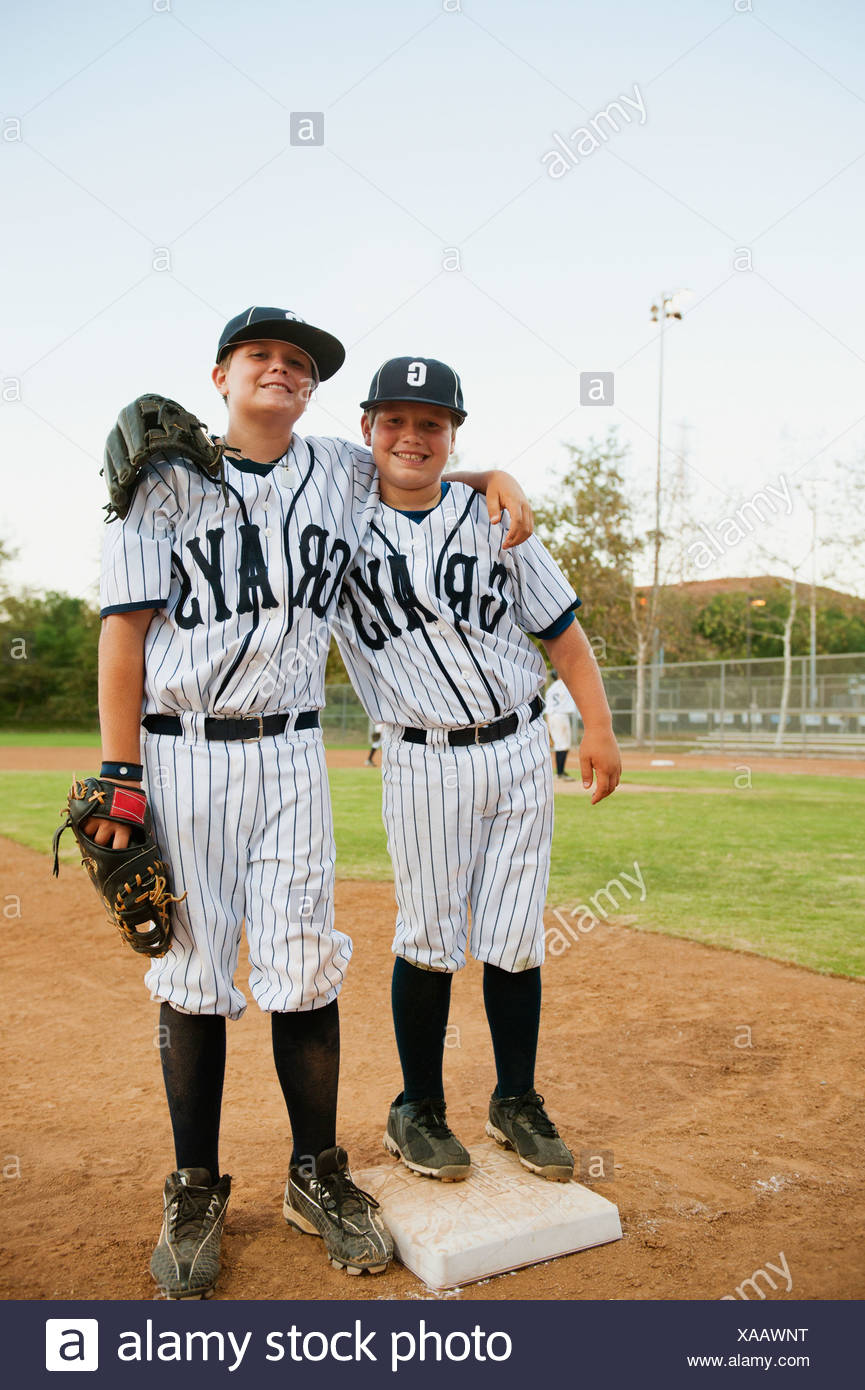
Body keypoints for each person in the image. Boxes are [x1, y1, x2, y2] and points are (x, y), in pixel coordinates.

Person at [89, 311, 533, 1298]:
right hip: (182, 751)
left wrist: (492, 477)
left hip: (292, 751)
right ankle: (195, 1188)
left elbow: (418, 475)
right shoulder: (160, 483)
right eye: (263, 358)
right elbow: (123, 633)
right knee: (194, 972)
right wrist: (119, 773)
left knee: (301, 964)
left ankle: (315, 1171)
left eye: (299, 364)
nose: (282, 371)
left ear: (312, 389)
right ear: (221, 375)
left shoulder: (337, 467)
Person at [334, 356, 622, 1185]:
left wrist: (595, 727)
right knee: (428, 936)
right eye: (394, 420)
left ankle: (515, 1099)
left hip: (522, 743)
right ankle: (416, 1106)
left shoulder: (497, 518)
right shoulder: (338, 525)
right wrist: (490, 471)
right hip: (422, 756)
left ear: (452, 433)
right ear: (367, 430)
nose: (411, 436)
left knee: (514, 935)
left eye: (431, 423)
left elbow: (560, 630)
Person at [545, 668, 578, 780]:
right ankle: (560, 773)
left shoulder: (551, 689)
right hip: (560, 716)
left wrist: (549, 727)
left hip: (553, 717)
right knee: (563, 745)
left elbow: (548, 710)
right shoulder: (564, 685)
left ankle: (560, 772)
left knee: (561, 744)